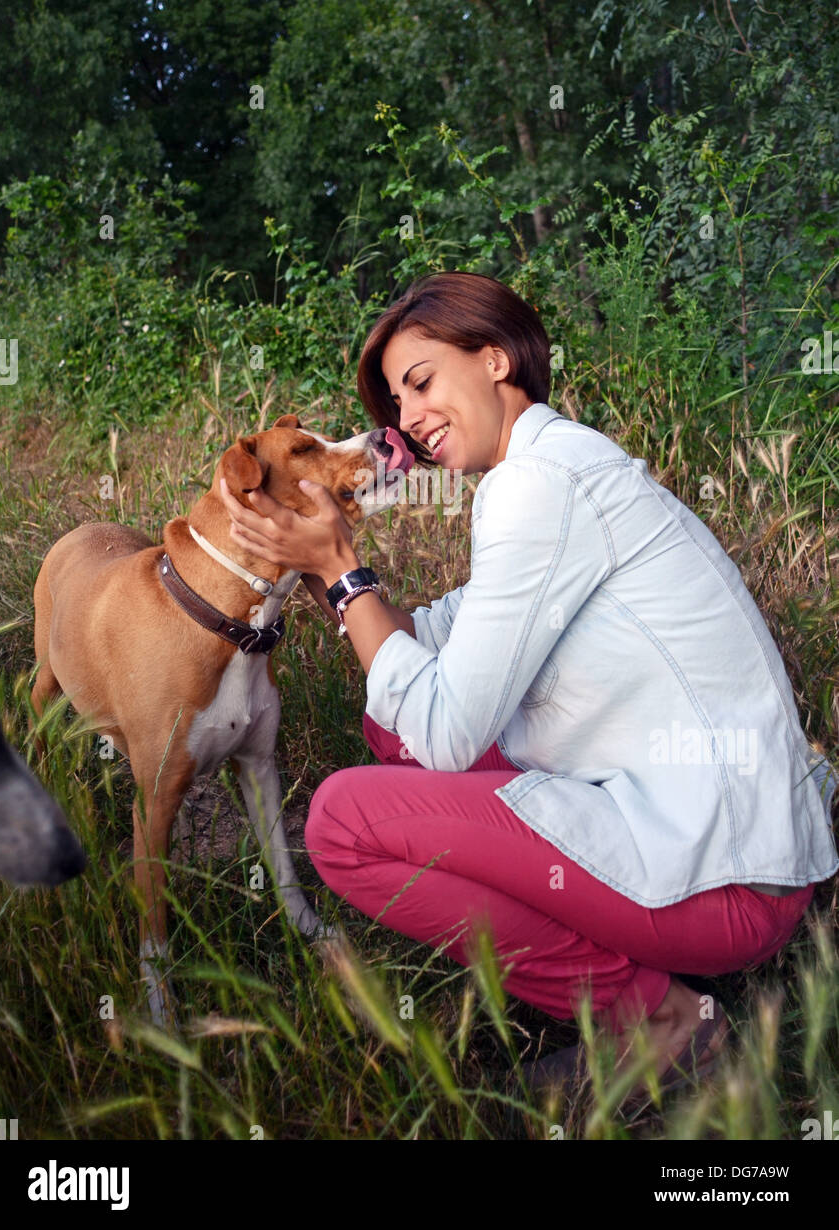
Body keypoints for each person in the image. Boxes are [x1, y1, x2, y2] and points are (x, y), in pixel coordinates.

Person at [220, 270, 838, 1106]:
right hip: (738, 843)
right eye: (395, 406)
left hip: (729, 881)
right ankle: (634, 979)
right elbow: (426, 656)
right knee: (391, 732)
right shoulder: (559, 463)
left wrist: (338, 571)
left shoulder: (537, 485)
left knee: (343, 824)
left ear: (497, 359)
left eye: (422, 382)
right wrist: (330, 560)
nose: (407, 421)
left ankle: (659, 1020)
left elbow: (441, 731)